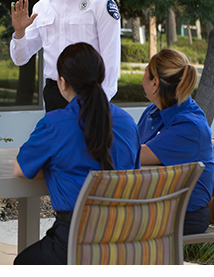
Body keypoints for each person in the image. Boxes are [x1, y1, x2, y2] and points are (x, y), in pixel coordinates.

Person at [13, 43, 140, 265]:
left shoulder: (54, 124)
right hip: (123, 239)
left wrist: (56, 169)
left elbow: (20, 169)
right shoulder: (128, 123)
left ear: (62, 82)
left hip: (76, 240)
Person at [10, 0, 122, 111]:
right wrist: (20, 32)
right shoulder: (42, 7)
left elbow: (111, 57)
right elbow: (20, 58)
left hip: (89, 93)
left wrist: (101, 101)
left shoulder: (100, 1)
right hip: (53, 95)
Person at [136, 48, 214, 235]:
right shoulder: (153, 111)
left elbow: (135, 155)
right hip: (157, 205)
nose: (143, 75)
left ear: (155, 83)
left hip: (183, 215)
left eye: (146, 70)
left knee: (104, 224)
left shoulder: (189, 126)